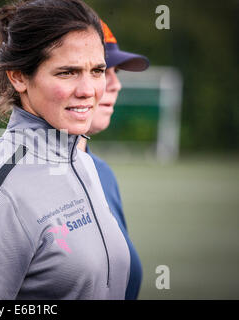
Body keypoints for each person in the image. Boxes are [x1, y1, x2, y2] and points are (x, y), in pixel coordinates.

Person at [0, 0, 130, 300]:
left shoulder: (83, 163)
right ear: (18, 76)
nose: (88, 89)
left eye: (97, 70)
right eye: (67, 72)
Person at [77, 21, 150, 300]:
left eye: (114, 71)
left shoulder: (102, 174)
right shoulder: (8, 183)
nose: (116, 84)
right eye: (100, 70)